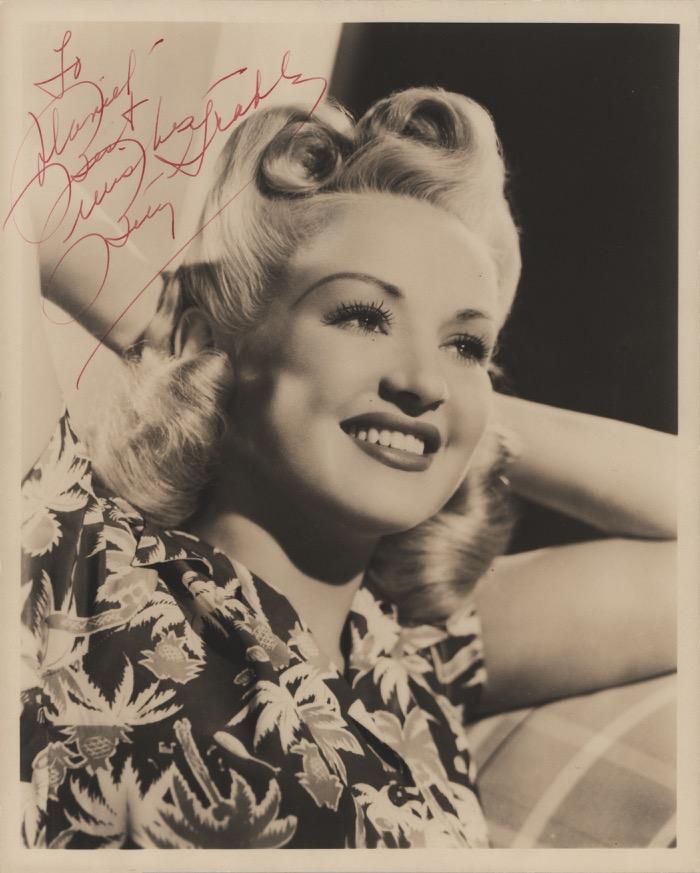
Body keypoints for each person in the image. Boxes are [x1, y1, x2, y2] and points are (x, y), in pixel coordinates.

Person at [20, 88, 676, 849]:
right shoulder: (73, 561)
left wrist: (463, 414)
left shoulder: (419, 663)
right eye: (363, 316)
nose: (422, 381)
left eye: (466, 345)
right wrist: (171, 331)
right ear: (213, 343)